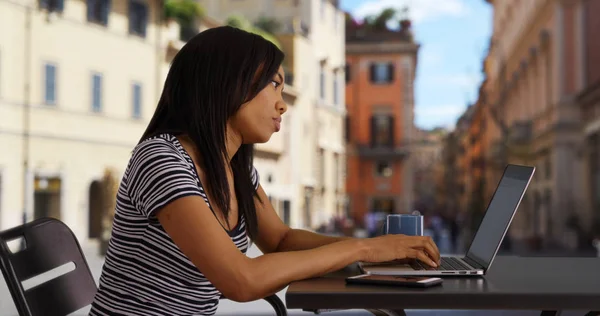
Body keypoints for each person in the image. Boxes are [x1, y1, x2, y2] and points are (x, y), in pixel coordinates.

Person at [88, 26, 440, 316]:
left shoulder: (237, 170)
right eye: (272, 84)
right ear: (226, 82)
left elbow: (281, 241)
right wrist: (362, 253)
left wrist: (373, 257)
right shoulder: (162, 159)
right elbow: (241, 280)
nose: (282, 104)